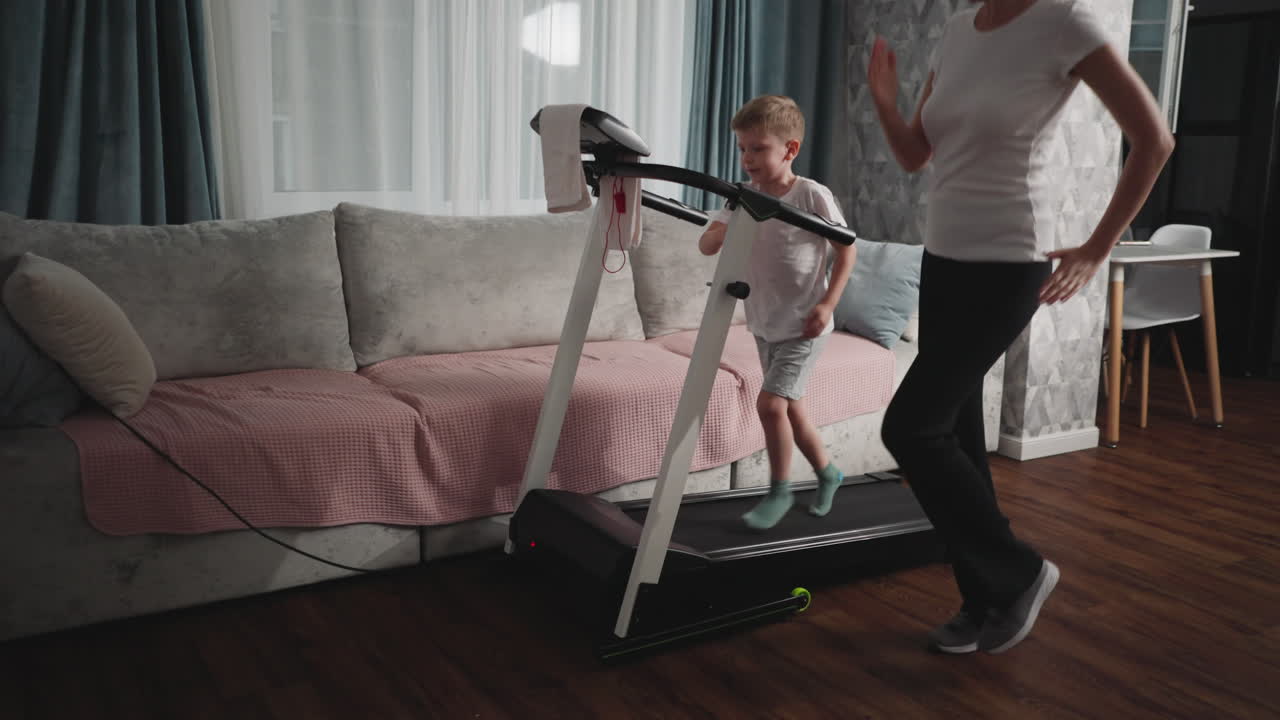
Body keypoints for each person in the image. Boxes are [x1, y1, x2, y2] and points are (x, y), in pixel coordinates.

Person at [868, 0, 1174, 655]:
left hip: (1008, 263)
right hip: (942, 257)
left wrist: (1098, 247)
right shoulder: (956, 32)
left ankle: (1020, 572)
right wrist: (886, 102)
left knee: (910, 427)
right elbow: (917, 155)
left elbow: (1154, 140)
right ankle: (984, 599)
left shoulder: (1067, 24)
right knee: (953, 430)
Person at [698, 94, 858, 531]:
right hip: (765, 321)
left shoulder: (811, 195)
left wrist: (828, 304)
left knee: (770, 405)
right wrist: (721, 226)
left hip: (806, 323)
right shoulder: (744, 196)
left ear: (789, 149)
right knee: (792, 410)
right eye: (743, 148)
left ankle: (780, 491)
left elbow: (847, 252)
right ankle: (829, 473)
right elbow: (707, 244)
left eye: (758, 148)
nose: (747, 158)